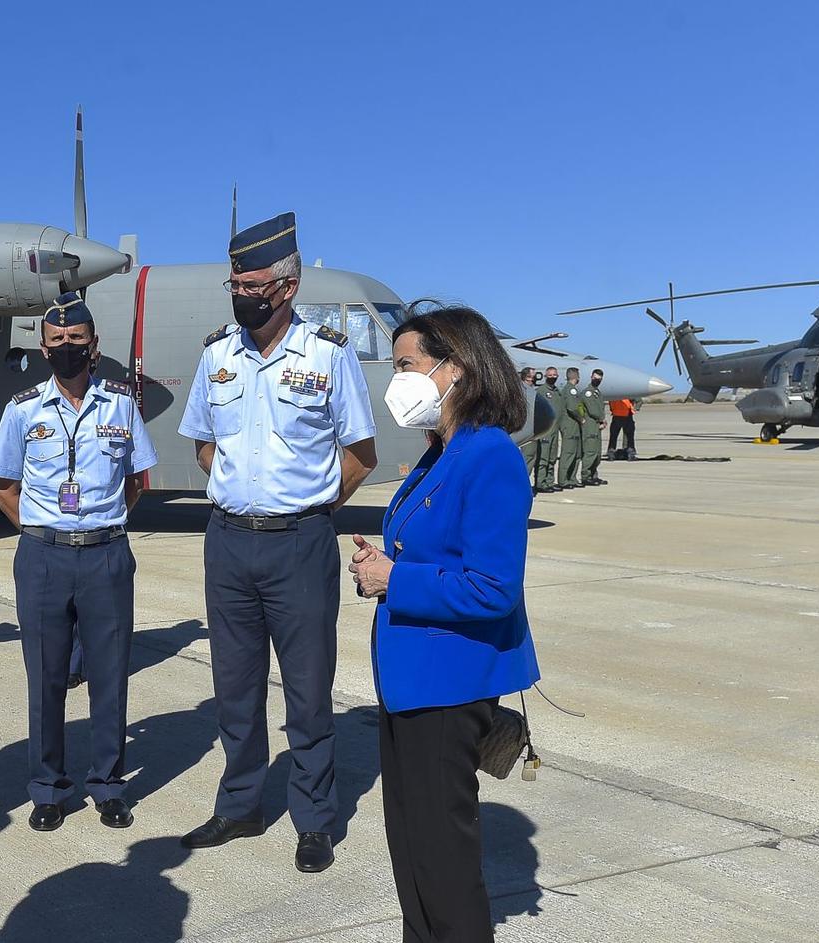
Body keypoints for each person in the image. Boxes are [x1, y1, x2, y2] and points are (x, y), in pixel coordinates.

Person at [177, 212, 377, 874]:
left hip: (300, 544)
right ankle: (241, 805)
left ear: (285, 286)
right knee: (234, 686)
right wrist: (243, 491)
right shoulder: (216, 355)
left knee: (307, 690)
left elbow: (361, 452)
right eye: (234, 280)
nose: (240, 291)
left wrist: (308, 505)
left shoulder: (328, 353)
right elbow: (204, 443)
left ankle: (315, 818)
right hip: (229, 543)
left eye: (251, 280)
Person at [348, 302, 541, 943]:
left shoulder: (488, 456)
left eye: (407, 365)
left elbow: (492, 588)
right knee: (412, 847)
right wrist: (387, 562)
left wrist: (393, 580)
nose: (396, 378)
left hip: (447, 687)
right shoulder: (441, 452)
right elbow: (435, 553)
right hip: (410, 679)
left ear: (455, 368)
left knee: (443, 860)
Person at [0, 290, 157, 833]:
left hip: (106, 554)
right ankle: (49, 788)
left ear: (94, 346)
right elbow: (3, 486)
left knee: (110, 675)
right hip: (42, 557)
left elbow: (136, 482)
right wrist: (43, 533)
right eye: (57, 341)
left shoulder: (122, 406)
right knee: (46, 678)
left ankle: (107, 784)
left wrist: (98, 526)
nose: (67, 348)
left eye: (76, 340)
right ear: (42, 347)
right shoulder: (22, 410)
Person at [552, 370, 582, 489]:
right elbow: (572, 407)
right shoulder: (570, 390)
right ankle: (563, 480)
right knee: (568, 453)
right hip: (569, 425)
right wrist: (581, 418)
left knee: (576, 453)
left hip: (574, 424)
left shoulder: (571, 389)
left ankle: (572, 478)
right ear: (577, 377)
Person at [534, 367, 561, 494]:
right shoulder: (541, 391)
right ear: (545, 376)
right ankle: (540, 482)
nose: (553, 377)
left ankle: (549, 481)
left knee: (552, 457)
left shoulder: (557, 392)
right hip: (545, 430)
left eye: (555, 375)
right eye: (550, 375)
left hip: (554, 429)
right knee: (543, 458)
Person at [578, 369, 607, 485]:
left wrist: (601, 420)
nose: (597, 380)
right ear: (591, 377)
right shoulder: (588, 393)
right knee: (590, 452)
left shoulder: (597, 392)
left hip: (597, 425)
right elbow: (592, 409)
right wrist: (602, 419)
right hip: (590, 425)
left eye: (599, 379)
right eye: (595, 378)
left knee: (597, 453)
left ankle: (594, 475)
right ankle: (586, 476)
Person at [608, 395, 637, 460]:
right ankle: (630, 454)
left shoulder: (614, 393)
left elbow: (610, 404)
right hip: (627, 415)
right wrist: (634, 408)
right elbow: (637, 399)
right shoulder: (627, 391)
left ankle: (611, 454)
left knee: (613, 437)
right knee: (630, 437)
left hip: (616, 415)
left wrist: (613, 410)